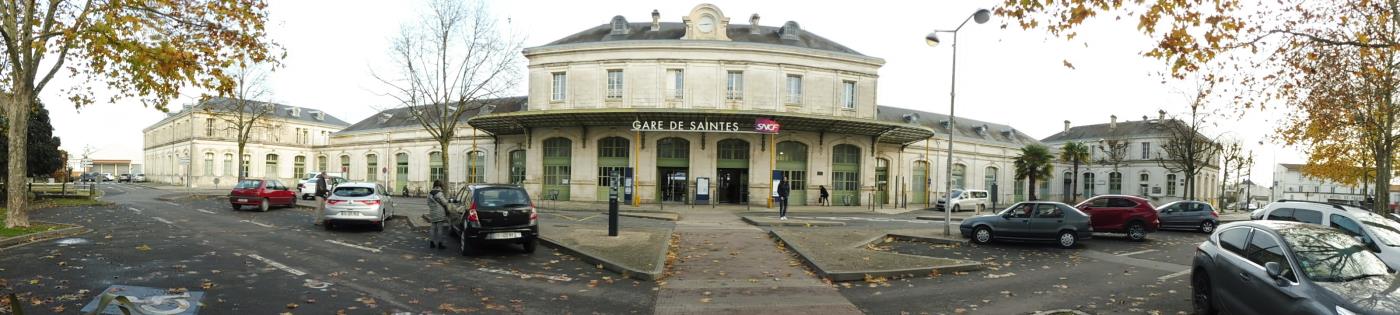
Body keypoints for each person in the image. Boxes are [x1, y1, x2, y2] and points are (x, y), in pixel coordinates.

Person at [427, 180, 450, 250]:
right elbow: (445, 203)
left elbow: (428, 203)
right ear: (440, 186)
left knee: (432, 228)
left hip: (433, 212)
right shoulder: (439, 193)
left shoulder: (429, 193)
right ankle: (440, 244)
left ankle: (431, 243)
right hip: (440, 212)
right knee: (440, 228)